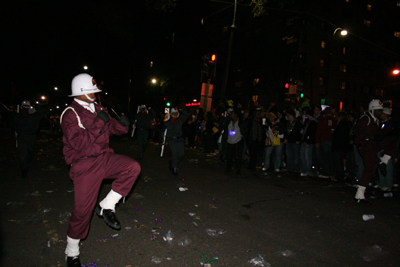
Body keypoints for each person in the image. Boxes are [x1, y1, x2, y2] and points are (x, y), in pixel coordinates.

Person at [60, 73, 141, 266]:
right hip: (84, 164)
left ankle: (107, 205)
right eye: (92, 92)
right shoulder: (70, 114)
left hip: (104, 157)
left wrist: (121, 126)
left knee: (132, 167)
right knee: (82, 212)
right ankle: (71, 252)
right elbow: (78, 142)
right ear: (81, 92)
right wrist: (99, 122)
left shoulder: (98, 108)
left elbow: (110, 127)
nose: (96, 95)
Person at [354, 100, 396, 204]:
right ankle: (359, 195)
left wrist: (386, 131)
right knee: (369, 169)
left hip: (373, 145)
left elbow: (379, 134)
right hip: (367, 146)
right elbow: (358, 134)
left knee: (392, 141)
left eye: (380, 111)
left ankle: (383, 161)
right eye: (378, 111)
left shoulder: (376, 120)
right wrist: (363, 144)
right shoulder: (366, 119)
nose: (380, 113)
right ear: (372, 110)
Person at [12, 100, 45, 178]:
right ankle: (24, 169)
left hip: (31, 137)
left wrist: (35, 111)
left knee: (29, 153)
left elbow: (43, 113)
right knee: (22, 154)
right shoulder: (18, 116)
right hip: (22, 137)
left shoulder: (34, 115)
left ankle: (25, 167)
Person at [163, 107, 190, 175]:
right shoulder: (168, 121)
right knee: (175, 154)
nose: (175, 114)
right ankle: (174, 168)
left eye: (176, 113)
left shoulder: (180, 120)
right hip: (171, 139)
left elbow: (187, 115)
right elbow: (163, 130)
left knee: (182, 154)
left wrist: (181, 109)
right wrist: (163, 140)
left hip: (179, 139)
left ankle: (173, 162)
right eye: (174, 113)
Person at [222, 107, 247, 174]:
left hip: (238, 141)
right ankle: (228, 169)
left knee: (238, 156)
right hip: (230, 141)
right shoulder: (229, 122)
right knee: (229, 156)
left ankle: (238, 170)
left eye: (232, 114)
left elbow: (244, 130)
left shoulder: (240, 122)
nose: (231, 115)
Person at [315, 107, 337, 178]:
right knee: (330, 157)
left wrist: (317, 141)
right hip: (331, 140)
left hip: (324, 140)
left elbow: (318, 131)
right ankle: (330, 172)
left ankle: (325, 172)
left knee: (324, 157)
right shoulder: (334, 120)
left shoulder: (322, 120)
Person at [300, 108, 317, 176]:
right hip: (305, 140)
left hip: (308, 141)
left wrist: (309, 142)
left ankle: (307, 170)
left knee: (307, 156)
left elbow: (312, 133)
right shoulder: (308, 121)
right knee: (303, 156)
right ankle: (304, 169)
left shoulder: (313, 122)